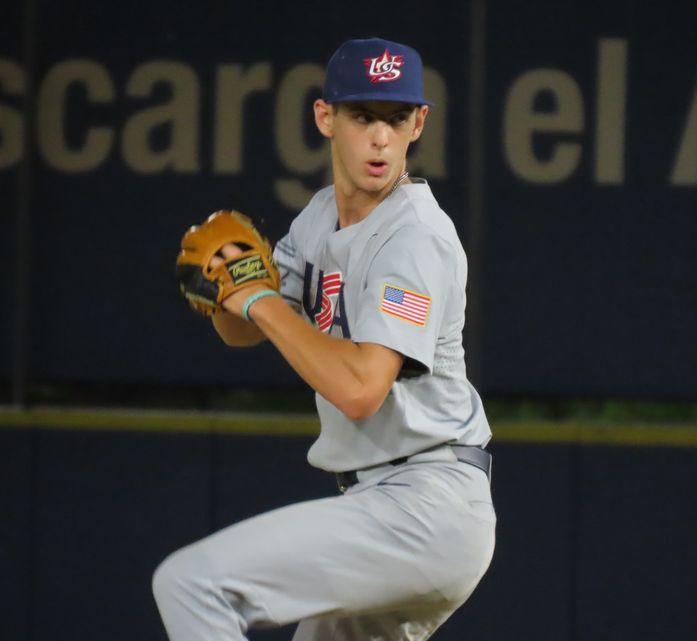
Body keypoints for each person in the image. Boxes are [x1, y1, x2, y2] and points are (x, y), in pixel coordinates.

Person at [153, 37, 495, 641]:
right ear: (325, 118)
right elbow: (246, 331)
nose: (380, 137)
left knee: (192, 584)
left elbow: (361, 389)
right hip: (386, 503)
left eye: (395, 118)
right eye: (363, 116)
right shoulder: (317, 219)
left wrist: (255, 297)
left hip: (425, 503)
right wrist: (230, 294)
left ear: (419, 123)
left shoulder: (415, 237)